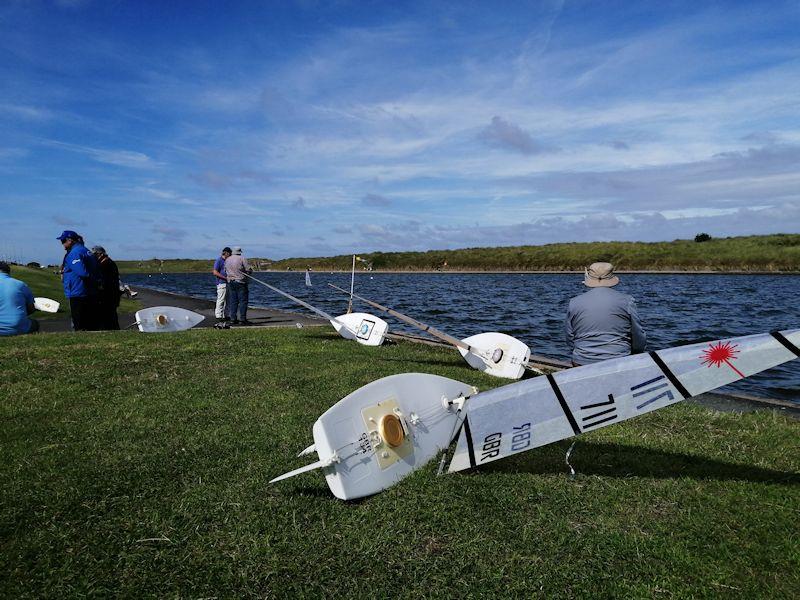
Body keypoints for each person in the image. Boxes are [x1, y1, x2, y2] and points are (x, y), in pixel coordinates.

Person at [565, 262, 646, 366]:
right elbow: (638, 337)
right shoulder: (627, 301)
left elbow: (569, 338)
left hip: (582, 361)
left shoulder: (574, 302)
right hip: (619, 360)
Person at [57, 230, 100, 331]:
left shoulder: (74, 253)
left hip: (78, 291)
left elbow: (82, 272)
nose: (62, 243)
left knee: (79, 323)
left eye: (63, 241)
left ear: (70, 240)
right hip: (88, 291)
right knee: (89, 321)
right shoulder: (86, 251)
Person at [0, 262, 39, 336]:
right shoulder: (21, 284)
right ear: (8, 272)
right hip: (18, 328)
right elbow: (31, 308)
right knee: (35, 323)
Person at [91, 246, 122, 330]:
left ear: (100, 254)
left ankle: (112, 331)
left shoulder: (106, 264)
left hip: (108, 294)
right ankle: (113, 330)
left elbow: (104, 280)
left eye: (94, 255)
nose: (93, 257)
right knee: (110, 315)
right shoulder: (108, 263)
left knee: (109, 316)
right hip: (111, 293)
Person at [225, 246, 251, 325]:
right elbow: (248, 269)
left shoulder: (227, 259)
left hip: (231, 282)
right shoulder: (242, 258)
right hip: (240, 282)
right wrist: (249, 272)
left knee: (233, 301)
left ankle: (233, 318)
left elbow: (225, 270)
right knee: (243, 301)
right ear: (239, 252)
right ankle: (242, 319)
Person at [212, 247, 232, 323]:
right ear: (226, 253)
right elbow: (215, 272)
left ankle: (226, 315)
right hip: (221, 283)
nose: (230, 255)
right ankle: (218, 315)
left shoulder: (227, 261)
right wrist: (225, 278)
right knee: (221, 300)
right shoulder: (219, 260)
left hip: (228, 283)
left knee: (228, 300)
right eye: (230, 254)